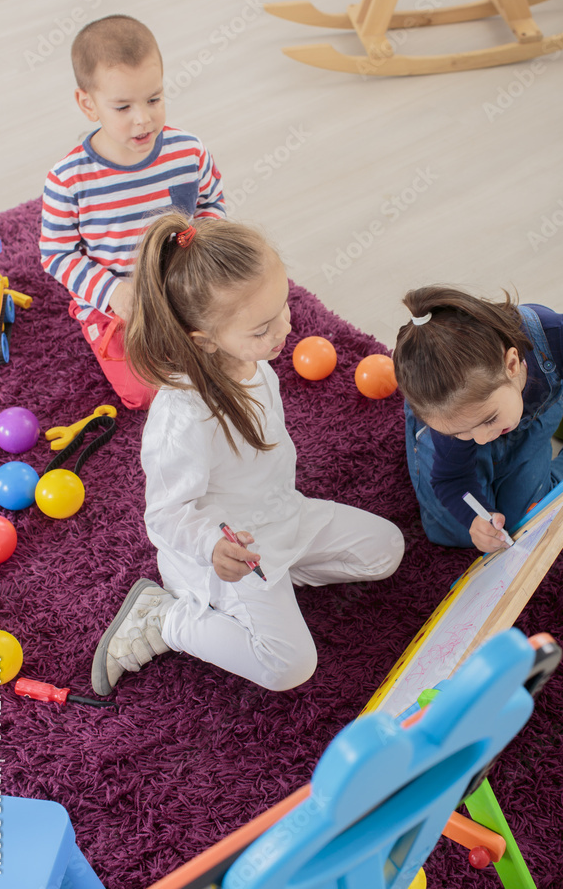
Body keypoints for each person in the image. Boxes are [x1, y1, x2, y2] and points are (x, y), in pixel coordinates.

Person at [90, 213, 404, 695]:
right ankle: (165, 616)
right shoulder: (183, 416)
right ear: (204, 340)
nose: (283, 329)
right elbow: (166, 514)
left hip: (281, 514)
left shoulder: (251, 361)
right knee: (288, 666)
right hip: (229, 549)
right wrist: (214, 549)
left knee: (386, 551)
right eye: (262, 328)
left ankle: (267, 588)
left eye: (283, 307)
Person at [39, 15, 225, 409]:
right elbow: (57, 254)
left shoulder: (188, 152)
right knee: (145, 393)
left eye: (154, 99)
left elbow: (210, 207)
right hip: (117, 306)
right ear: (88, 103)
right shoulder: (68, 180)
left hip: (182, 286)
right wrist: (113, 293)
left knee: (230, 357)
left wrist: (197, 262)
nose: (143, 118)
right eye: (122, 106)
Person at [393, 286, 563, 552]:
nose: (483, 439)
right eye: (462, 432)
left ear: (512, 365)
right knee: (458, 533)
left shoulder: (554, 333)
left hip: (531, 419)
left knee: (526, 520)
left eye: (489, 419)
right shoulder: (450, 414)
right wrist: (476, 518)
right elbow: (452, 479)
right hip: (454, 422)